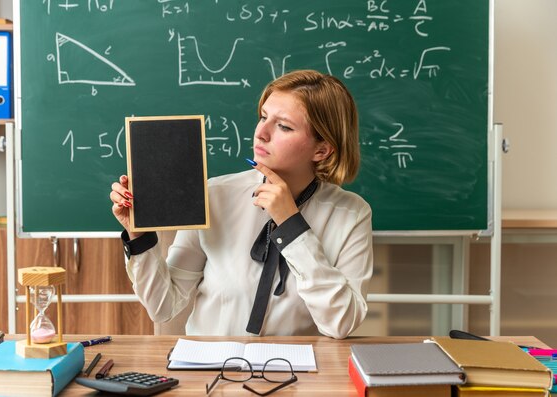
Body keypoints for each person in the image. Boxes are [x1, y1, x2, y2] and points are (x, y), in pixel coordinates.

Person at [110, 69, 373, 339]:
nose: (261, 133)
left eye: (283, 126)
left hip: (294, 372)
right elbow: (163, 306)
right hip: (209, 367)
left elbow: (341, 323)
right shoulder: (214, 195)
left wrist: (292, 228)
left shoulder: (351, 214)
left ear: (321, 150)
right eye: (263, 117)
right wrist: (138, 236)